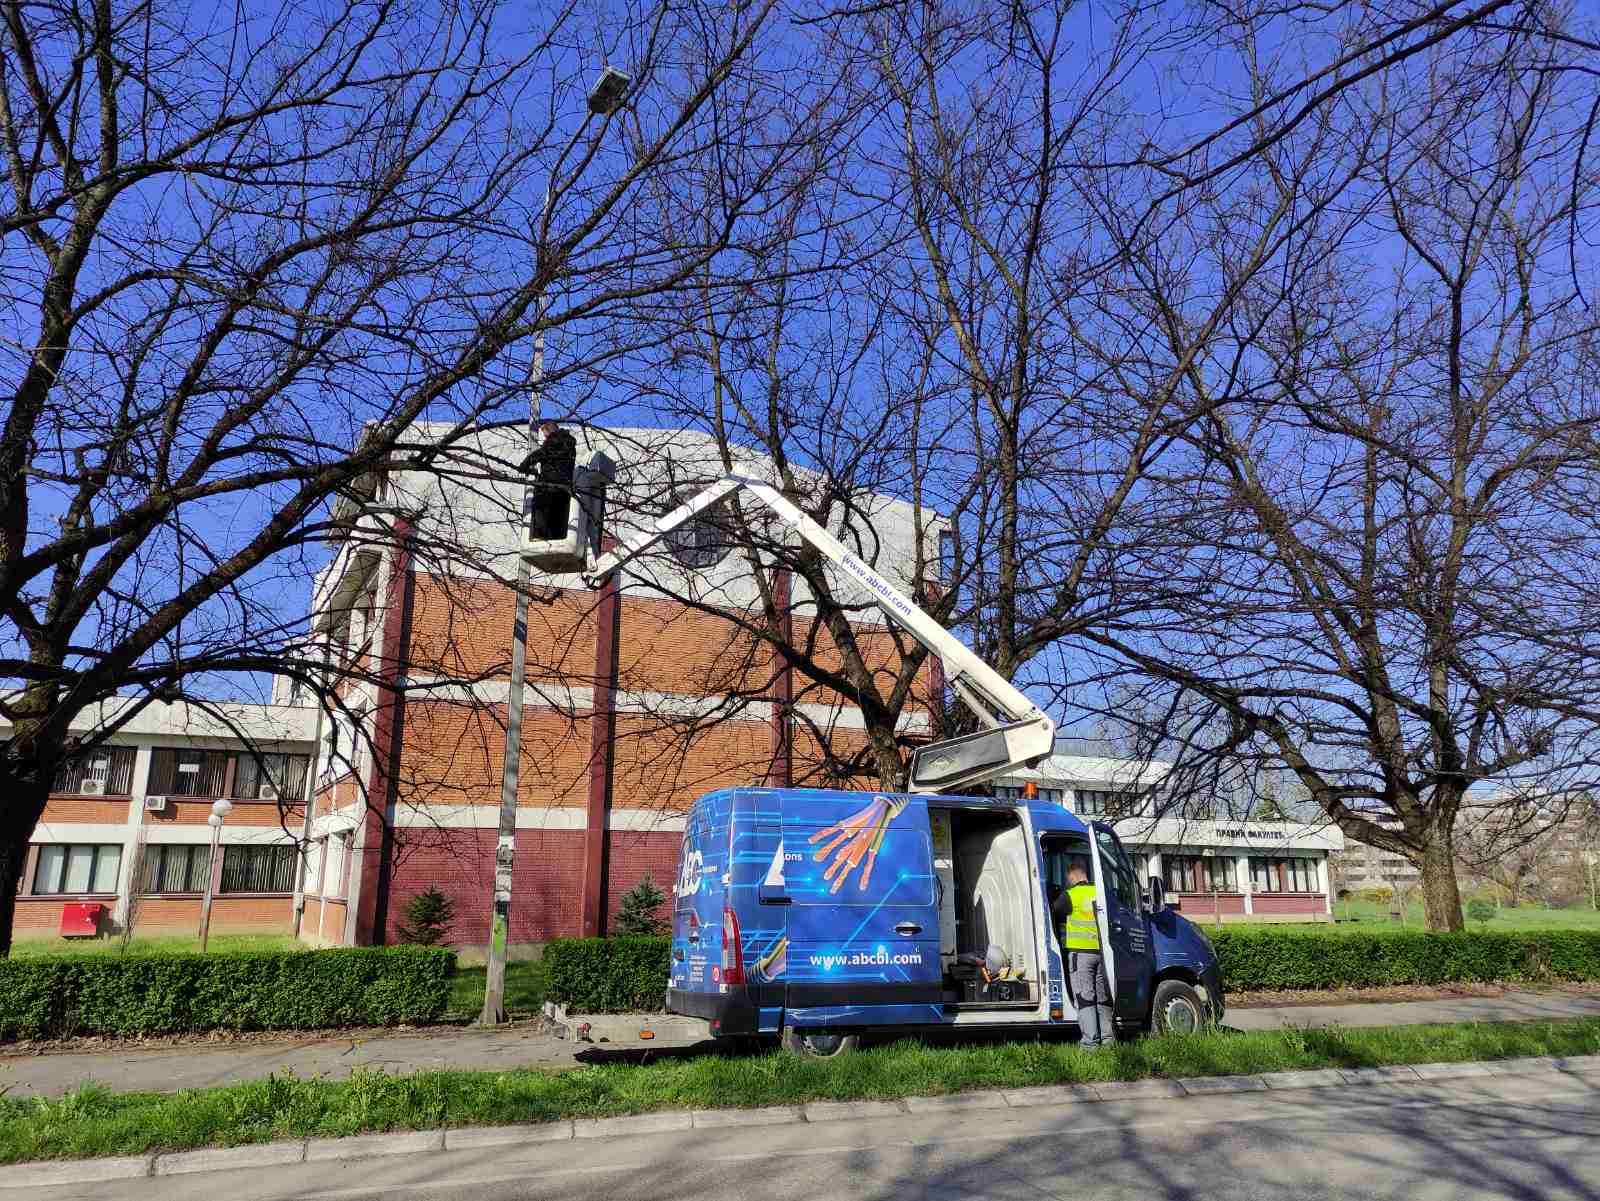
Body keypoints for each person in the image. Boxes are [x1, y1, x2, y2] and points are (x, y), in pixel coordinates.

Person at [1061, 862, 1113, 1049]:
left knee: (1085, 997)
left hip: (1080, 954)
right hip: (1101, 953)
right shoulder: (1099, 892)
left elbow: (1053, 911)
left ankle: (1090, 1044)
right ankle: (1107, 1041)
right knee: (1103, 996)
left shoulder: (1070, 895)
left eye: (1069, 879)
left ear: (1073, 877)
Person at [520, 420, 577, 539]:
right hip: (565, 487)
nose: (545, 438)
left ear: (548, 432)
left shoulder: (553, 441)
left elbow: (540, 454)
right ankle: (558, 538)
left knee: (542, 509)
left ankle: (541, 536)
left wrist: (524, 465)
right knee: (560, 514)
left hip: (549, 485)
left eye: (545, 435)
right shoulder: (570, 445)